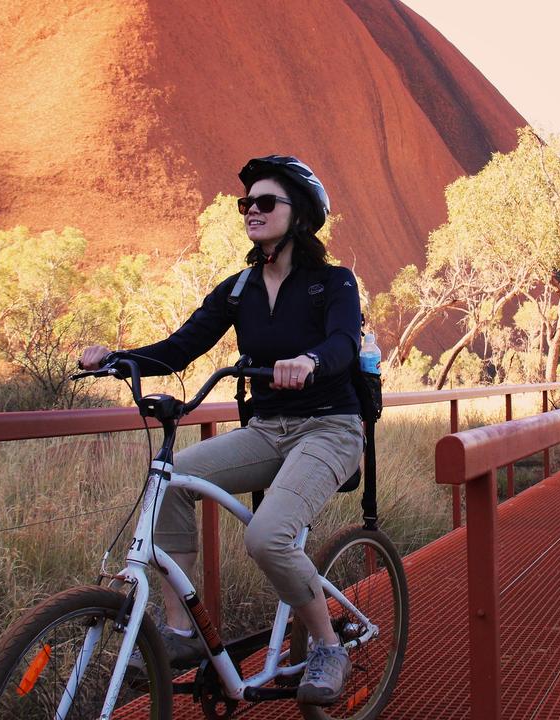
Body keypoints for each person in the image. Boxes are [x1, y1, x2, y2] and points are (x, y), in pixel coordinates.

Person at [79, 155, 362, 706]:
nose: (251, 212)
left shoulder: (332, 282)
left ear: (299, 215)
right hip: (268, 429)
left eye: (265, 203)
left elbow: (344, 342)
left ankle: (328, 645)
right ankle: (182, 633)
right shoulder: (238, 289)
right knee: (173, 481)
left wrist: (310, 360)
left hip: (330, 428)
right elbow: (181, 346)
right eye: (246, 204)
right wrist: (117, 359)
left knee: (266, 537)